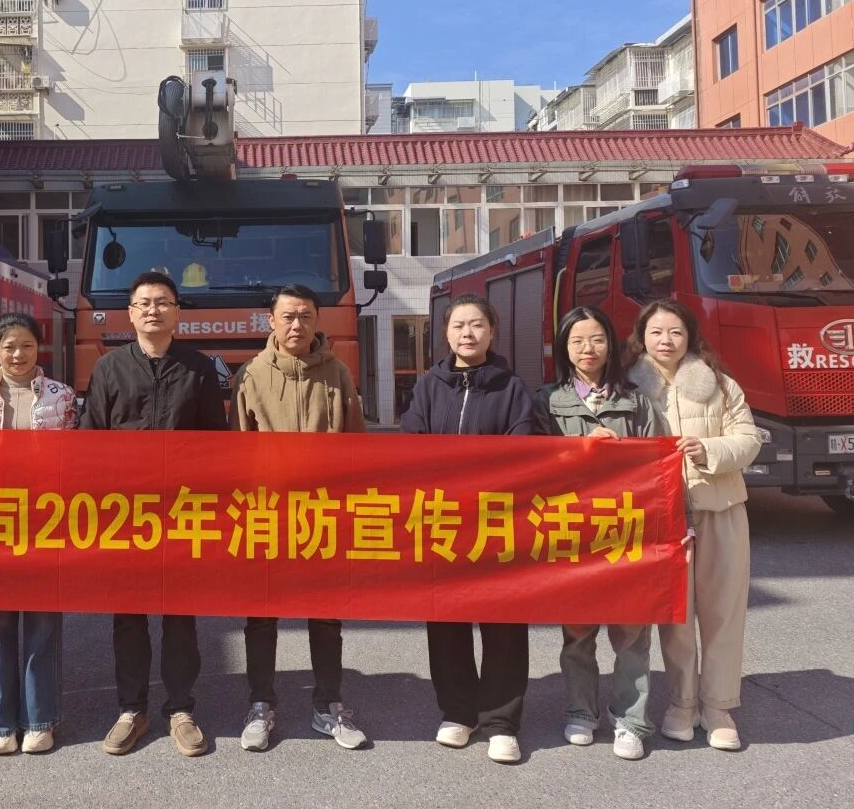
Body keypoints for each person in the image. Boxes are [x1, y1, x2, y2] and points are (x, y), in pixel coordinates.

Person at [79, 271, 227, 757]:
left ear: (177, 312)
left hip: (182, 511)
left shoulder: (199, 368)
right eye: (144, 303)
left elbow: (216, 444)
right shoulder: (109, 368)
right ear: (130, 313)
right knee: (129, 616)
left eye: (163, 302)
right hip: (126, 512)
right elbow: (90, 442)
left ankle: (181, 708)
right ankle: (132, 710)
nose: (153, 310)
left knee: (180, 614)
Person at [229, 283, 368, 752]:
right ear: (271, 321)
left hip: (322, 512)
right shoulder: (251, 375)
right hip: (266, 513)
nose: (296, 324)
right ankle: (260, 705)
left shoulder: (338, 373)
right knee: (261, 615)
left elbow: (356, 444)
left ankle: (329, 706)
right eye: (287, 316)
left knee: (326, 615)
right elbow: (236, 451)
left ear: (317, 321)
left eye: (305, 316)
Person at [398, 293, 534, 764]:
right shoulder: (428, 387)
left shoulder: (512, 388)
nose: (467, 333)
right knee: (446, 621)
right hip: (443, 522)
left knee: (503, 625)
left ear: (492, 332)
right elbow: (411, 443)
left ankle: (501, 722)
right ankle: (458, 712)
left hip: (496, 522)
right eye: (458, 325)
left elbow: (523, 446)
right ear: (446, 334)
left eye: (477, 324)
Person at [626, 299, 760, 751]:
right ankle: (682, 702)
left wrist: (709, 450)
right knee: (676, 615)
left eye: (676, 332)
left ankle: (719, 706)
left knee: (723, 612)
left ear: (690, 336)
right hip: (662, 517)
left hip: (721, 508)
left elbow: (749, 439)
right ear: (641, 338)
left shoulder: (720, 384)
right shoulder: (629, 389)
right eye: (656, 332)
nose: (666, 340)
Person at [533, 306, 663, 761]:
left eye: (597, 340)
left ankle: (631, 720)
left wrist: (675, 526)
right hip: (573, 530)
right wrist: (581, 450)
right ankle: (581, 711)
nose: (587, 349)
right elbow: (532, 464)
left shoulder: (637, 401)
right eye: (577, 341)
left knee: (632, 632)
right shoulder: (547, 401)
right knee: (578, 631)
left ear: (611, 345)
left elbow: (662, 466)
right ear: (563, 349)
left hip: (627, 529)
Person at [0, 313, 77, 755]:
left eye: (26, 345)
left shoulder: (61, 396)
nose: (18, 354)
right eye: (9, 346)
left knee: (42, 622)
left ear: (38, 348)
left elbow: (77, 458)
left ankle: (40, 720)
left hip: (45, 520)